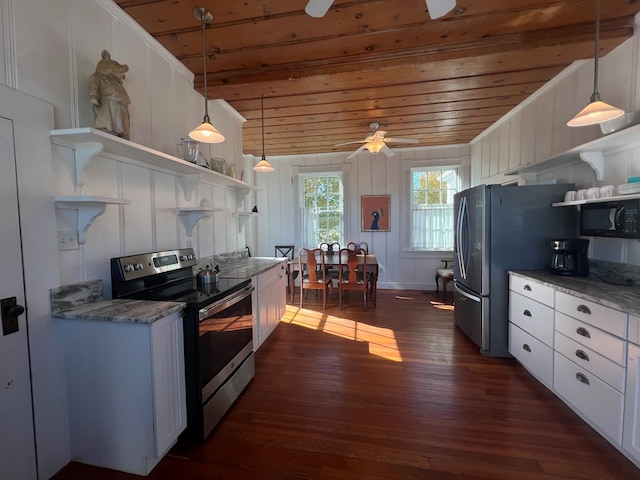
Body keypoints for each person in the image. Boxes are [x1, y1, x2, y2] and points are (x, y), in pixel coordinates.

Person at [89, 50, 131, 139]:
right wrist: (94, 96)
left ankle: (122, 132)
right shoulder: (98, 77)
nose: (121, 75)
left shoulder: (117, 84)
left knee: (120, 118)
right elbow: (94, 86)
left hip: (120, 104)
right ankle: (109, 130)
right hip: (108, 103)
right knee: (109, 118)